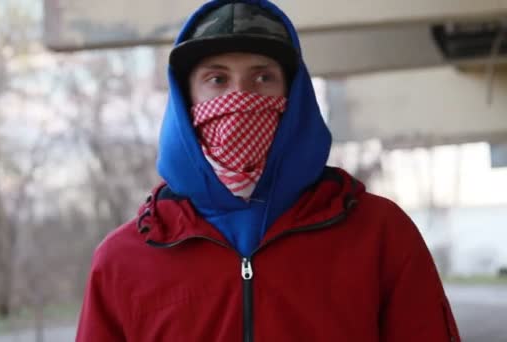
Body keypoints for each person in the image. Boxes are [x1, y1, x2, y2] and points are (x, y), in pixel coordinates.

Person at [76, 1, 461, 341]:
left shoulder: (379, 234)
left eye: (263, 77)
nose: (240, 98)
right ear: (185, 100)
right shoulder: (123, 261)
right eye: (217, 79)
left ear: (294, 97)